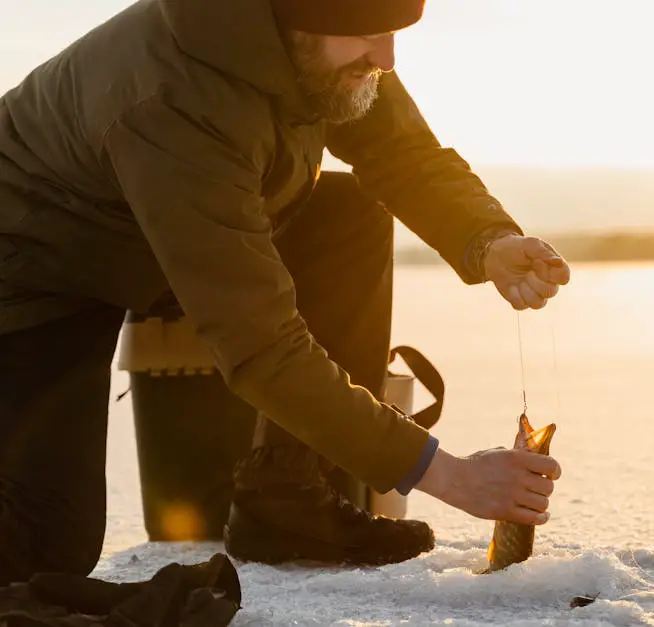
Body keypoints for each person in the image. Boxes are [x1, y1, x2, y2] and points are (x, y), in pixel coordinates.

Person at [0, 0, 570, 584]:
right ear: (293, 20)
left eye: (394, 32)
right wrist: (450, 475)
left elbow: (401, 151)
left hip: (168, 236)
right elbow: (260, 346)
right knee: (45, 549)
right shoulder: (173, 98)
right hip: (37, 271)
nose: (387, 56)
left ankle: (285, 497)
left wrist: (488, 240)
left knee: (346, 215)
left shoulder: (321, 47)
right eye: (368, 33)